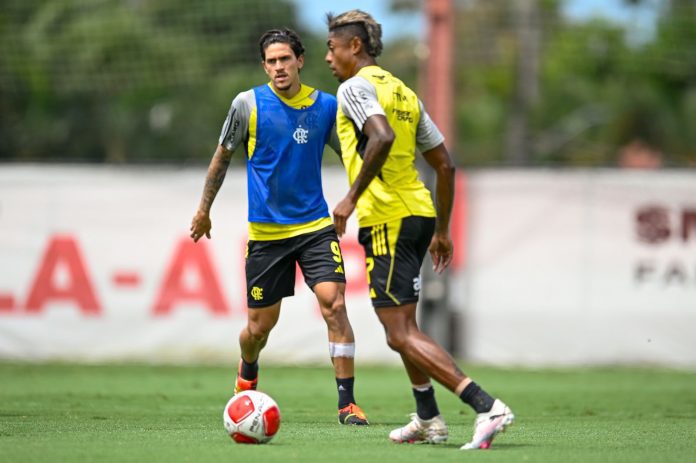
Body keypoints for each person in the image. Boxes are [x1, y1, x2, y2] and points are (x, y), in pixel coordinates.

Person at [324, 10, 513, 448]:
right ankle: (428, 417)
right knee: (404, 327)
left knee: (399, 331)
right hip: (418, 213)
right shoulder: (405, 93)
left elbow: (382, 137)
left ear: (355, 47)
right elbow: (444, 164)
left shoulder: (354, 88)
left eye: (332, 49)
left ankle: (486, 405)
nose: (328, 58)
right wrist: (442, 230)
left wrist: (350, 198)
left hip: (388, 216)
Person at [190, 27, 368, 426]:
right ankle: (248, 369)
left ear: (300, 60)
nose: (278, 68)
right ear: (264, 66)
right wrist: (204, 210)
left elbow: (355, 158)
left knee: (335, 304)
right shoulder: (247, 104)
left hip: (316, 228)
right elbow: (222, 157)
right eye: (271, 62)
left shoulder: (326, 107)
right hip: (267, 237)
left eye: (285, 59)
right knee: (258, 328)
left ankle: (347, 405)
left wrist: (359, 196)